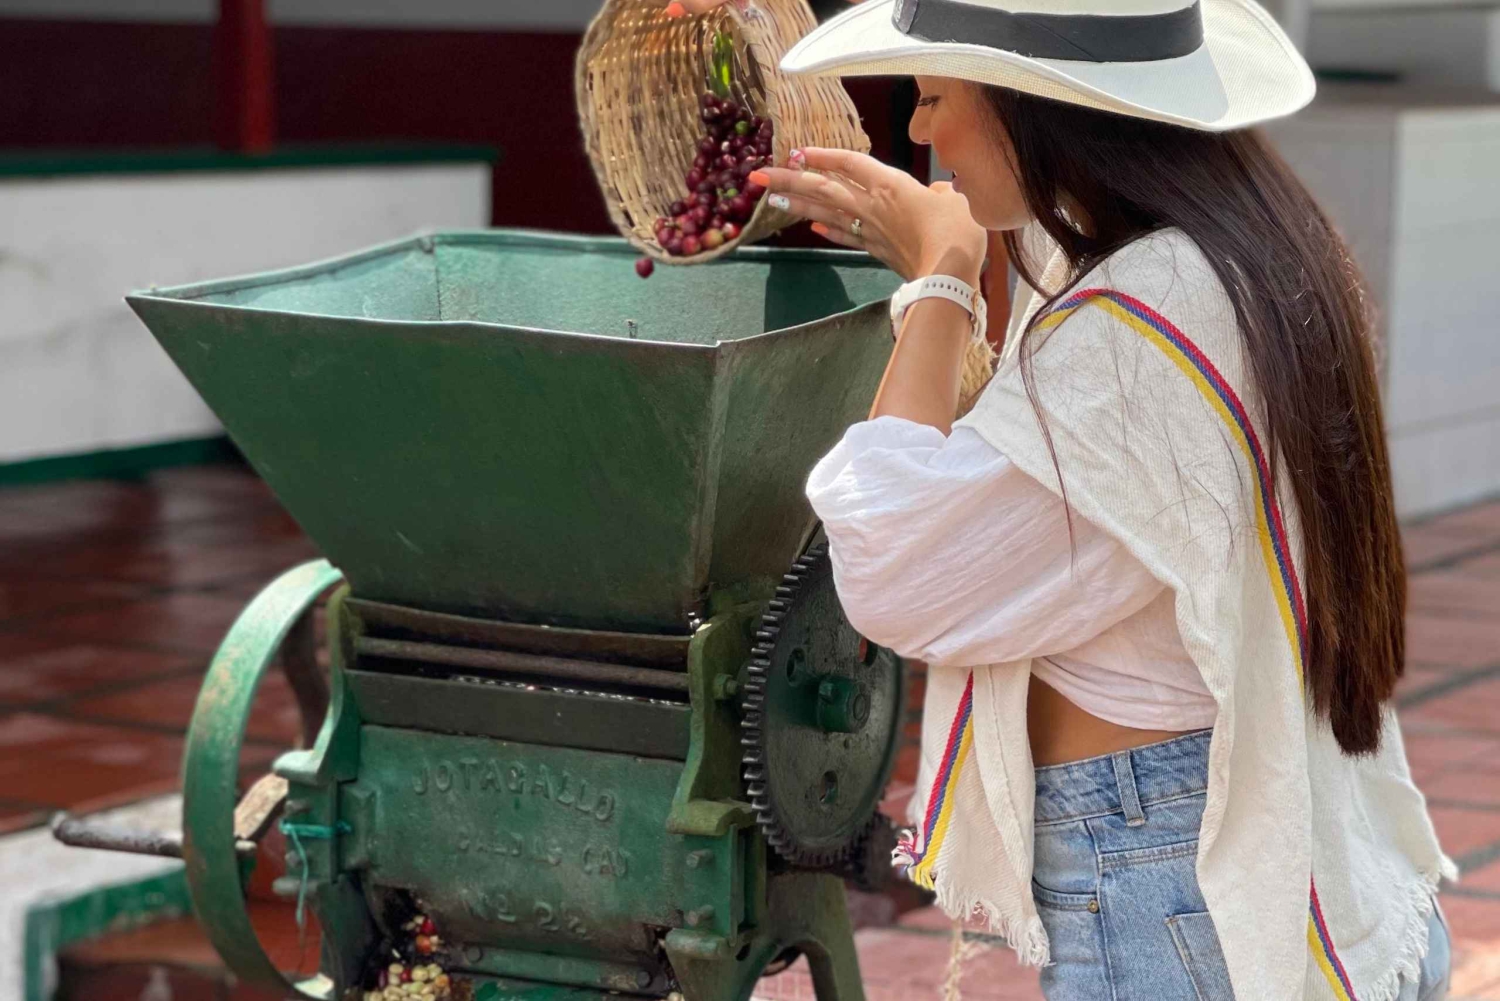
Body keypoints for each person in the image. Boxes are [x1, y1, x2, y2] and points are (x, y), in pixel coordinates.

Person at [672, 0, 1454, 998]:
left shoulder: (1137, 333)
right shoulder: (1243, 252)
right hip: (1274, 843)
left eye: (933, 96)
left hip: (1166, 880)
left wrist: (947, 279)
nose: (918, 132)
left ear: (1033, 112)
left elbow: (892, 565)